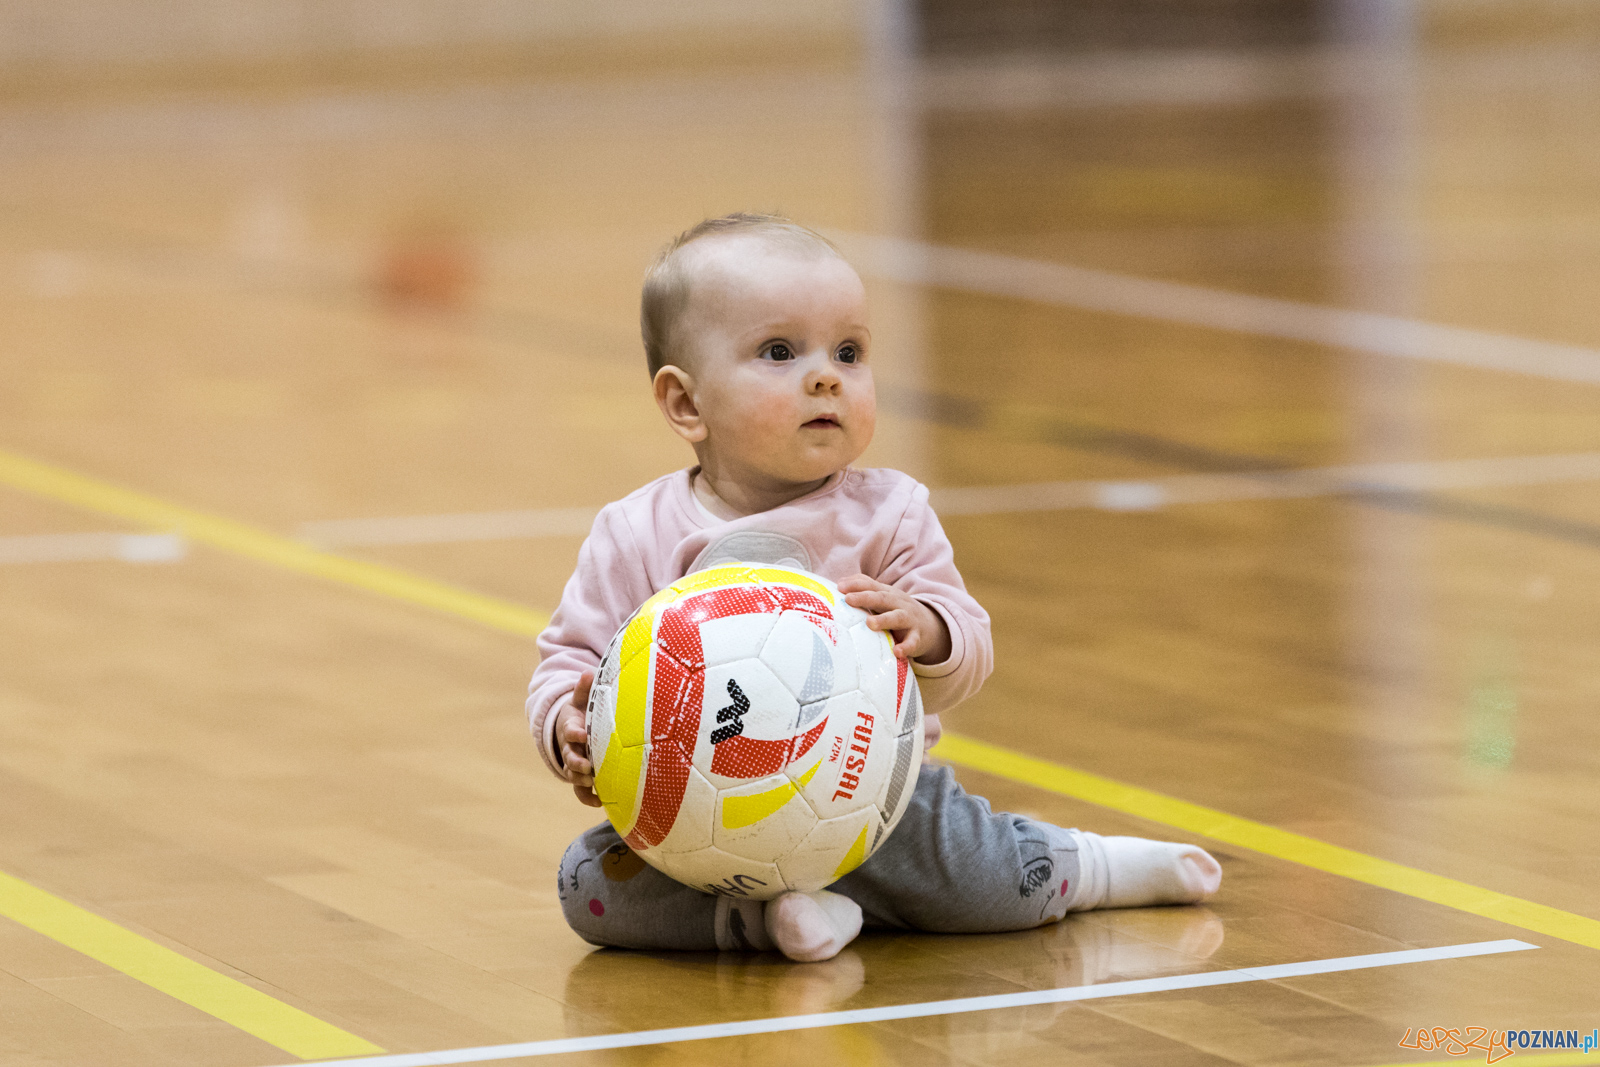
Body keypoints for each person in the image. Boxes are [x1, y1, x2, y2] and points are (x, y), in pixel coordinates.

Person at [527, 213, 1221, 963]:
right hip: (696, 831)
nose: (826, 374)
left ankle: (1092, 866)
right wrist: (569, 729)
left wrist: (929, 627)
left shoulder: (890, 513)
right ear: (686, 403)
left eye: (849, 352)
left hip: (873, 804)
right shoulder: (634, 532)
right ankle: (770, 921)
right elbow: (570, 663)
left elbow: (969, 648)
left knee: (986, 884)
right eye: (779, 351)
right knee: (587, 887)